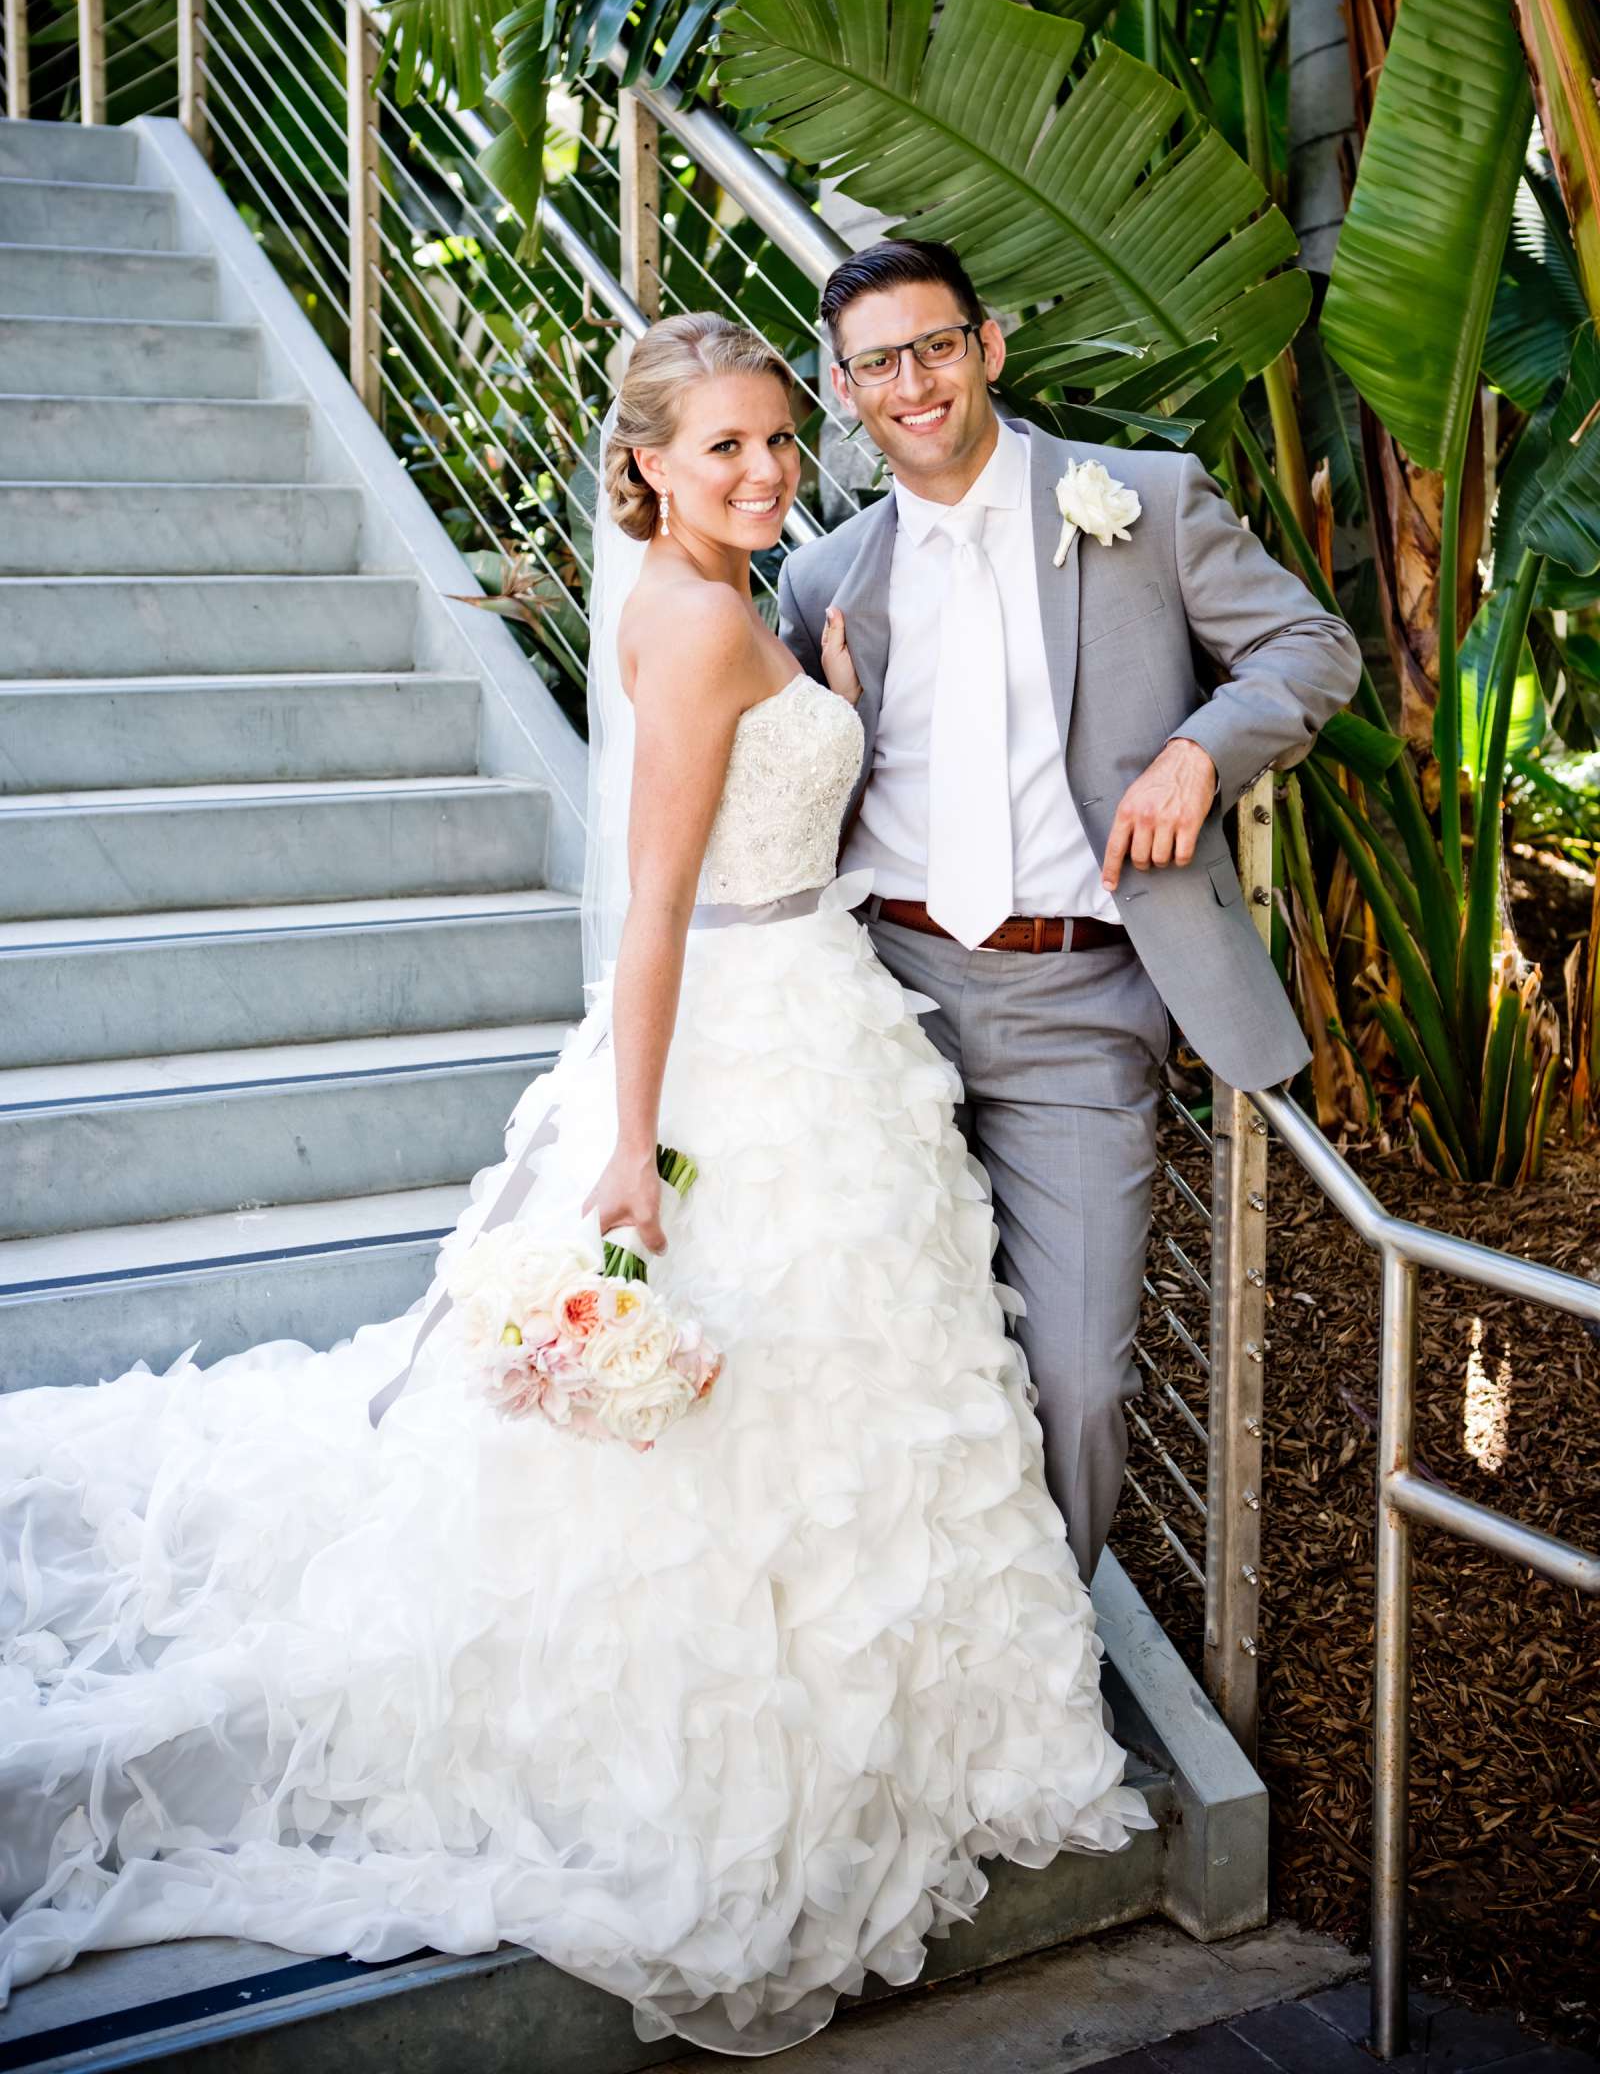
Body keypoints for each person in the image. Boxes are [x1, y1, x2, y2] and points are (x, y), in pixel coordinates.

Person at [0, 313, 1156, 2058]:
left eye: (779, 441)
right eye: (726, 452)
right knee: (752, 1417)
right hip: (741, 1032)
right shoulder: (694, 624)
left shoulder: (737, 598)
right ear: (648, 470)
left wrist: (827, 707)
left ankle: (885, 1720)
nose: (767, 471)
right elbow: (659, 902)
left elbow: (777, 815)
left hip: (825, 1012)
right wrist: (631, 1142)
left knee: (851, 1408)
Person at [779, 240, 1363, 1582]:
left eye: (935, 347)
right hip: (883, 1003)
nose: (912, 383)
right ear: (844, 389)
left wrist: (1202, 750)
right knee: (882, 1365)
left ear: (987, 349)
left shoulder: (1142, 505)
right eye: (878, 363)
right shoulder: (826, 582)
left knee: (1081, 1385)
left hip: (1082, 1006)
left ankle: (1041, 1690)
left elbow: (1308, 647)